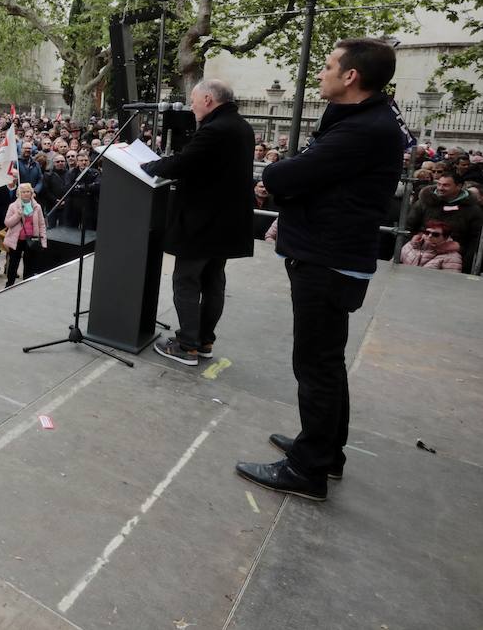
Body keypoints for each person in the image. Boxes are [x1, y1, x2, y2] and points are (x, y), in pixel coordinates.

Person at [238, 38, 402, 501]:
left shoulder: (365, 129)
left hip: (328, 259)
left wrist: (279, 183)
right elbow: (309, 175)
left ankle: (307, 469)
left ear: (351, 76)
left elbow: (287, 176)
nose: (321, 72)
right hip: (327, 252)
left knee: (315, 364)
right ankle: (325, 451)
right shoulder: (358, 120)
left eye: (329, 65)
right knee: (325, 360)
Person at [140, 79, 255, 366]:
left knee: (186, 280)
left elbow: (182, 164)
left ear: (208, 99)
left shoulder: (216, 130)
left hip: (203, 222)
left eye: (193, 100)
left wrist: (148, 165)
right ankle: (205, 340)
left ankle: (187, 345)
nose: (190, 106)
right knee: (214, 280)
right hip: (226, 222)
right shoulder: (241, 126)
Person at [405, 171, 481, 270]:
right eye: (439, 184)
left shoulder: (473, 210)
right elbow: (408, 227)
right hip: (419, 255)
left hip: (453, 261)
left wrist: (460, 248)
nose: (440, 188)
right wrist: (414, 240)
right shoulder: (424, 203)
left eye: (446, 185)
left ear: (458, 186)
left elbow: (475, 240)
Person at [2, 182, 48, 285]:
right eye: (23, 192)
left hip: (31, 239)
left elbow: (42, 225)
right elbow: (7, 223)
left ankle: (26, 284)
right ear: (19, 193)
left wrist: (43, 241)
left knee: (29, 264)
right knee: (13, 264)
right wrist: (18, 215)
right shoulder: (13, 206)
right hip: (16, 240)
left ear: (32, 193)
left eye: (28, 191)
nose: (26, 194)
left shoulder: (37, 207)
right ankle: (10, 284)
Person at [398, 220, 464, 271]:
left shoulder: (453, 257)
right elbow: (393, 265)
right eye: (427, 232)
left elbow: (449, 283)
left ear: (445, 238)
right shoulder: (410, 245)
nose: (429, 236)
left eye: (435, 234)